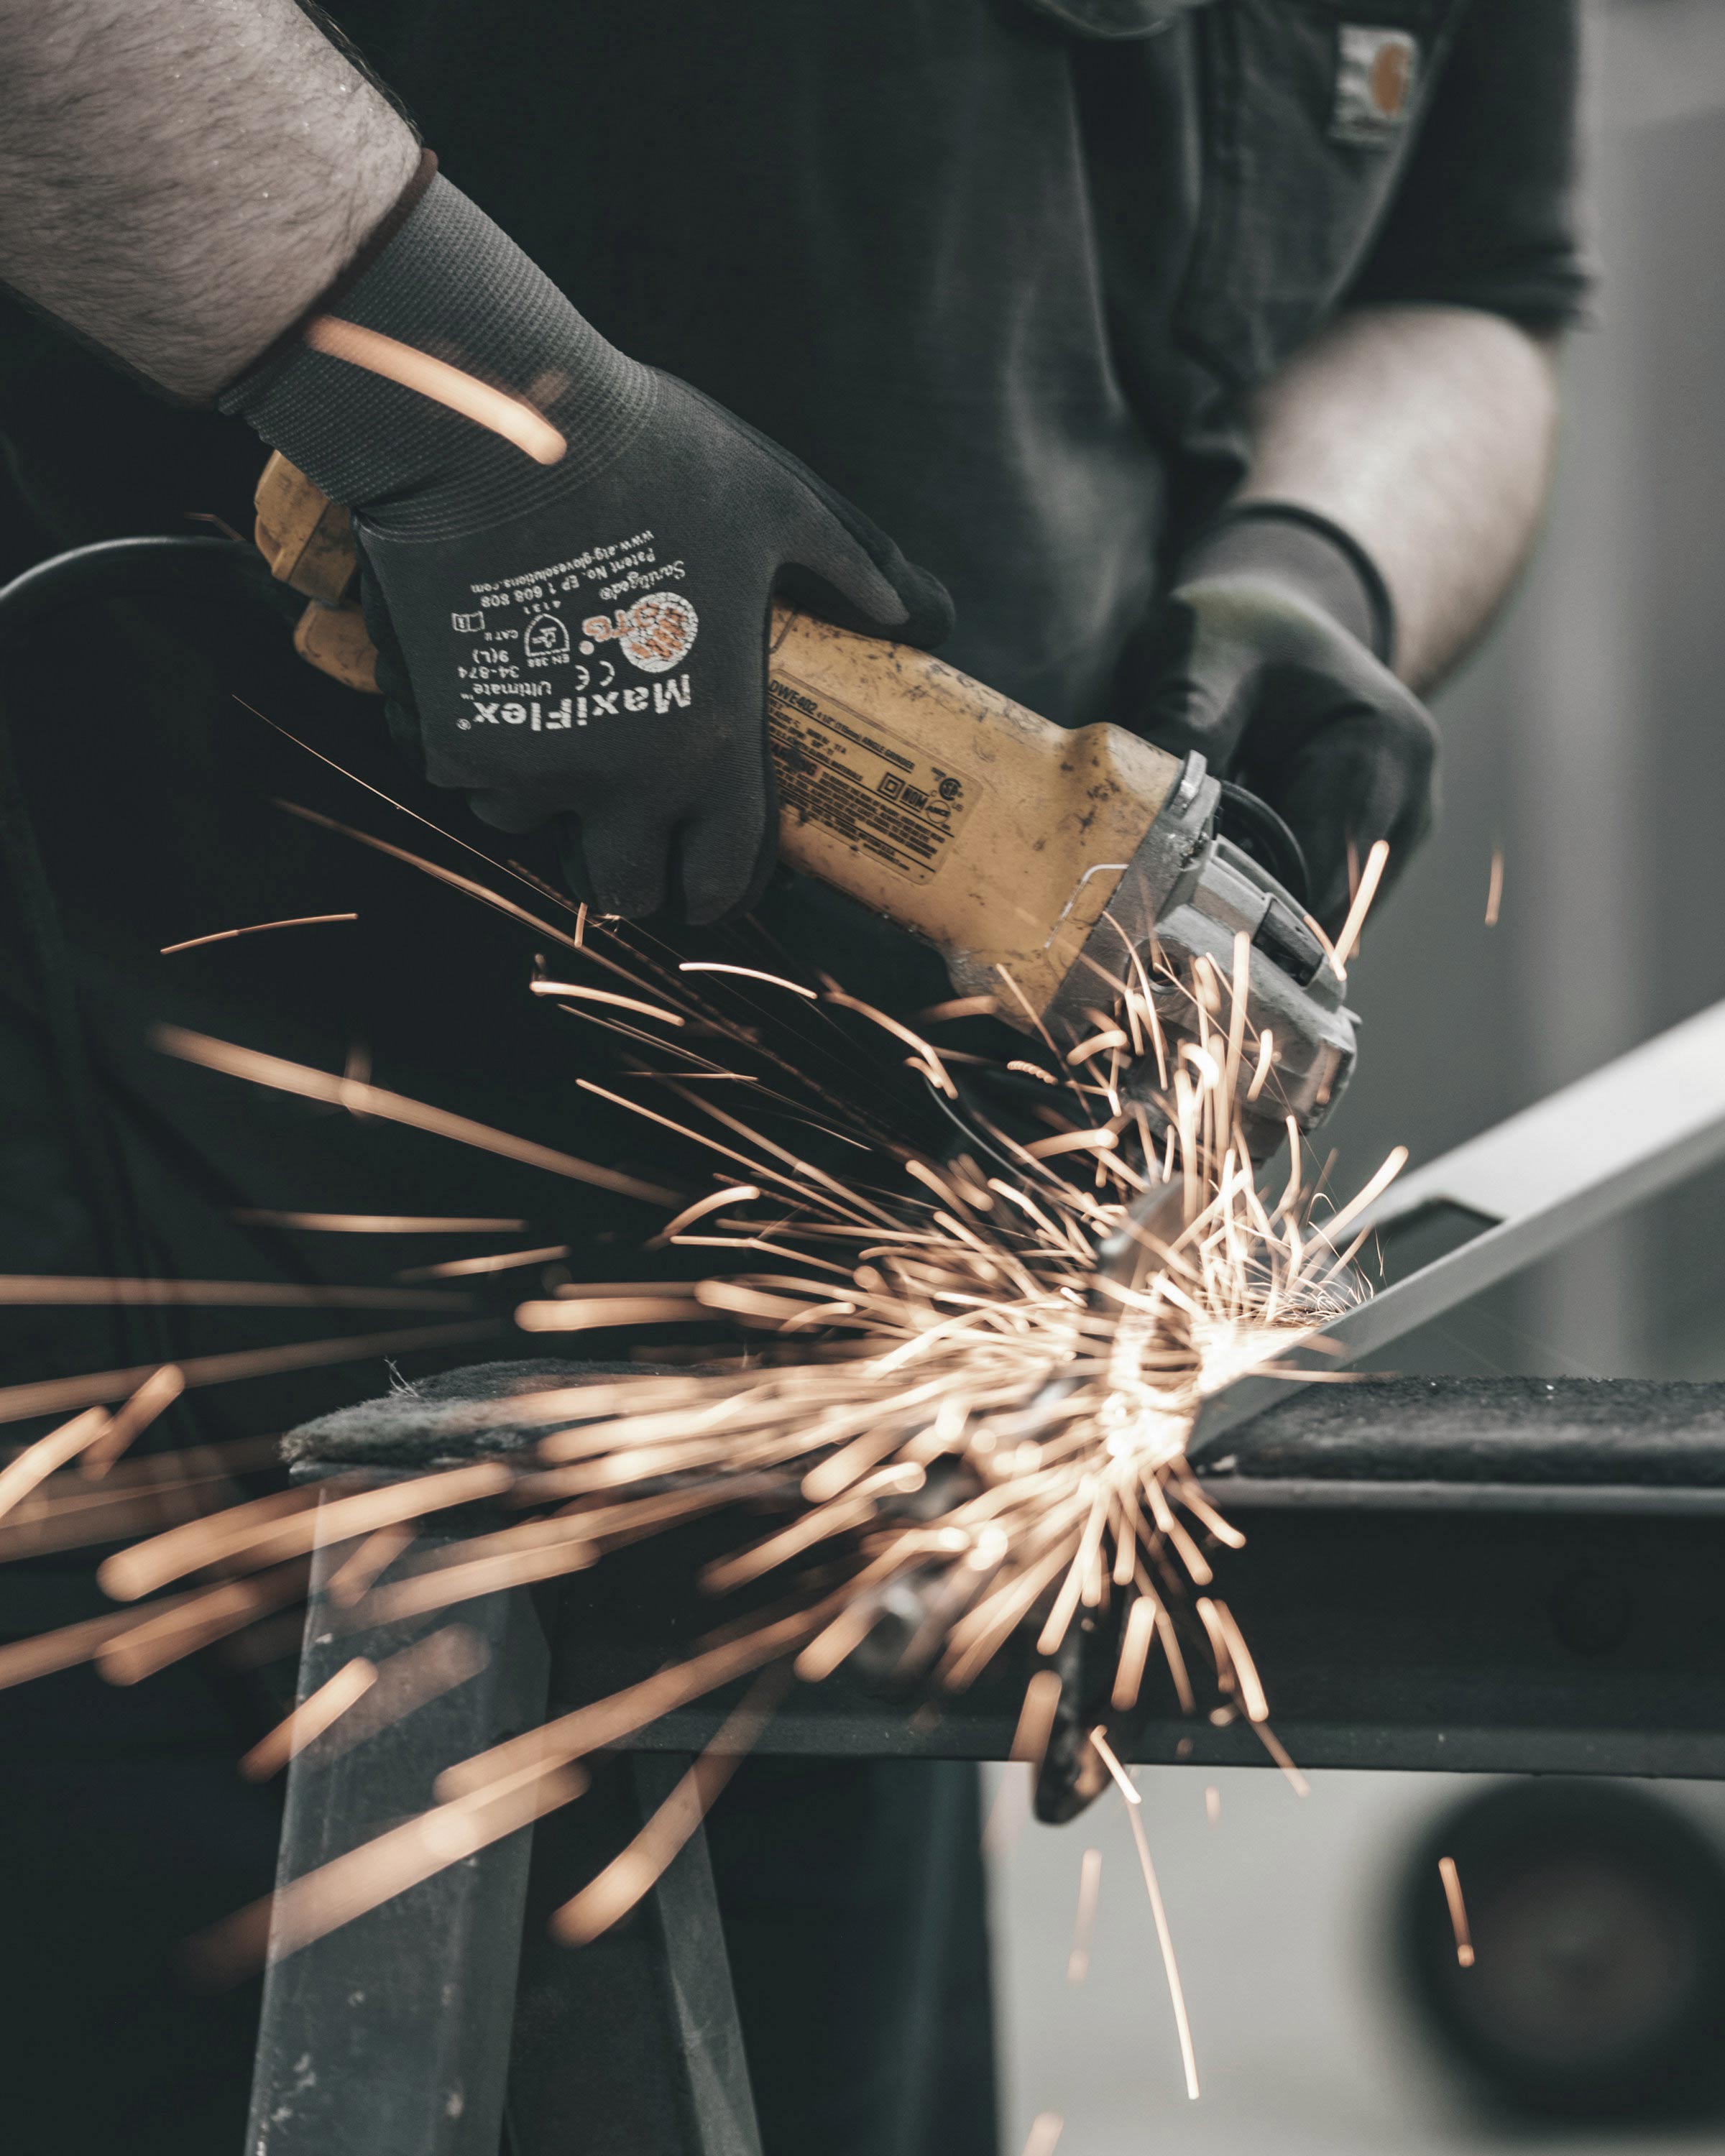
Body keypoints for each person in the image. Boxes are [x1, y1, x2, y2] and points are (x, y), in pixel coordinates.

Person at [0, 3, 1586, 2151]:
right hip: (150, 1336)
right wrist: (447, 389)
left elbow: (1474, 291)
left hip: (862, 1392)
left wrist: (1317, 567)